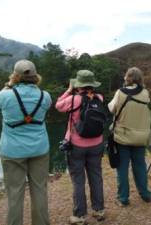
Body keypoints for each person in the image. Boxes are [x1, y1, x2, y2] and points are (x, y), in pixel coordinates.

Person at [0, 60, 52, 225]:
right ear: (35, 76)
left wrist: (8, 85)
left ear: (15, 76)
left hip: (12, 151)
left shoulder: (5, 95)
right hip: (39, 149)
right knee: (39, 190)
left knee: (15, 194)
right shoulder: (45, 96)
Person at [56, 70, 105, 224]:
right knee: (96, 177)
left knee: (78, 180)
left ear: (79, 84)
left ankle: (80, 216)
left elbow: (58, 105)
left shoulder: (73, 99)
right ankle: (99, 210)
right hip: (97, 143)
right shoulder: (99, 98)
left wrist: (69, 90)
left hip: (76, 145)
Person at [108, 67, 151, 207]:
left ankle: (123, 198)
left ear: (127, 77)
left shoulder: (120, 92)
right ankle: (145, 194)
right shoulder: (145, 93)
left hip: (123, 137)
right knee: (140, 166)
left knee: (122, 168)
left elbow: (112, 108)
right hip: (140, 137)